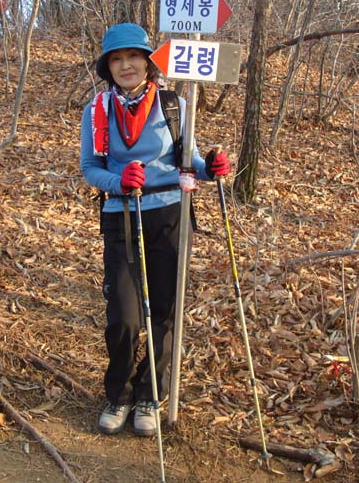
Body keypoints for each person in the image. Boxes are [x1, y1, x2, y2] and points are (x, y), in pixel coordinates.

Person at [80, 23, 230, 437]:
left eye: (133, 57)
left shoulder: (173, 104)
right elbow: (90, 168)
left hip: (168, 214)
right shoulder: (96, 111)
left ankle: (150, 393)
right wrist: (118, 181)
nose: (126, 65)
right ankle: (119, 394)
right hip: (121, 216)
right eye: (116, 59)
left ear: (147, 62)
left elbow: (190, 159)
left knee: (165, 311)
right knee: (124, 315)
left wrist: (210, 166)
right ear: (107, 67)